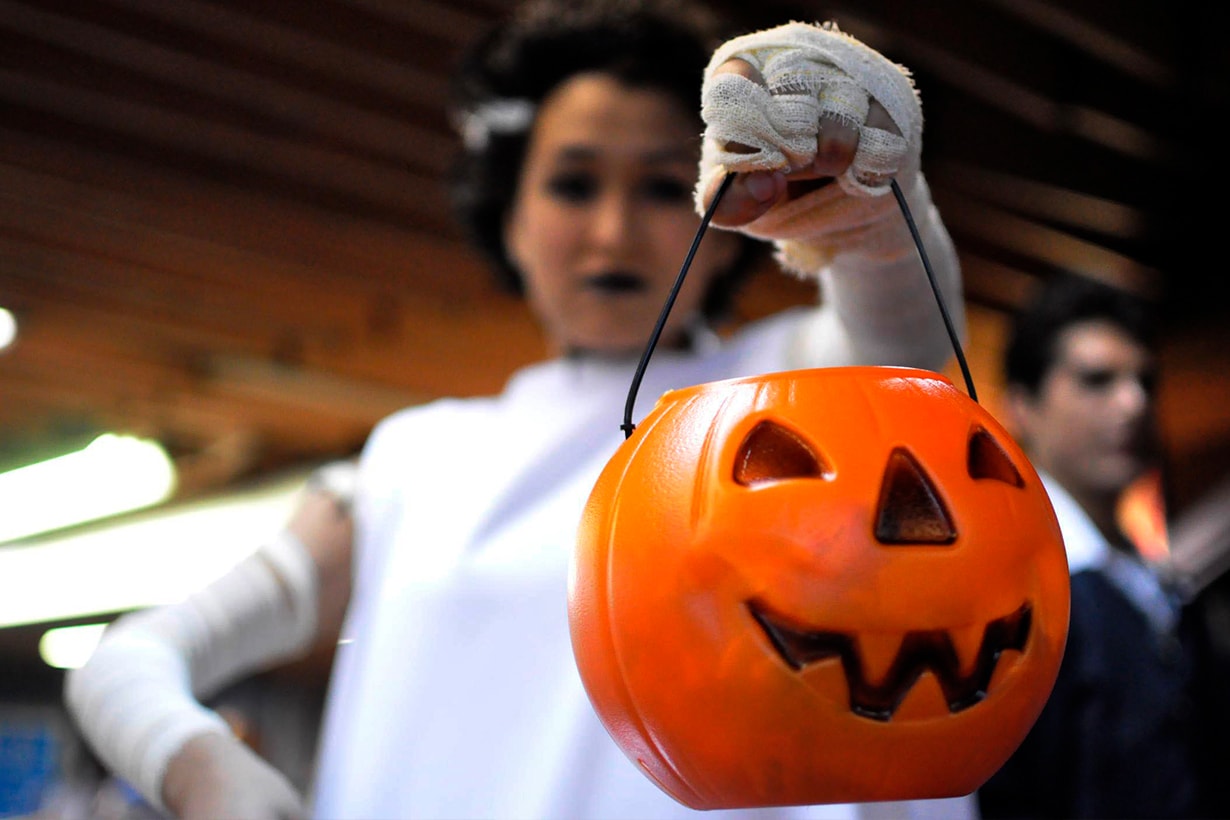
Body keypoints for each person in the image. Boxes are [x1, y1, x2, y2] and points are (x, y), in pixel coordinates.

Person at [63, 1, 976, 818]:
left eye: (663, 186)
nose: (613, 231)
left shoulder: (789, 388)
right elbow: (132, 658)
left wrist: (872, 214)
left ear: (715, 209)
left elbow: (900, 330)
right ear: (509, 214)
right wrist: (195, 764)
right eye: (573, 184)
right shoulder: (412, 461)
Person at [976, 274, 1206, 819]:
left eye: (1145, 380)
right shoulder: (1010, 590)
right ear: (1022, 406)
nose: (1133, 403)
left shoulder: (1153, 578)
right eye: (1097, 380)